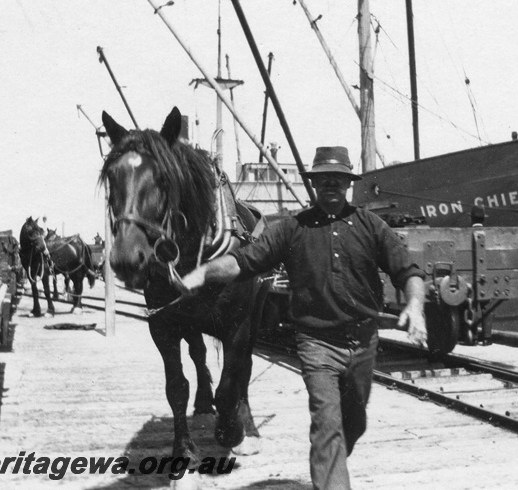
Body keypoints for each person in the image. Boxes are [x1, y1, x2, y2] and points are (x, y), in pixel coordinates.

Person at [181, 145, 427, 490]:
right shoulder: (292, 229)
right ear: (314, 184)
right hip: (317, 344)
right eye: (323, 179)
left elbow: (409, 270)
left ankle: (332, 466)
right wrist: (204, 272)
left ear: (347, 184)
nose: (330, 185)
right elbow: (244, 261)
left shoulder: (371, 226)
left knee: (354, 424)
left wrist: (415, 306)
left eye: (337, 179)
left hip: (363, 342)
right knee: (327, 425)